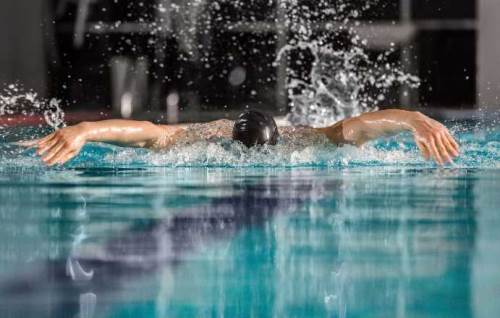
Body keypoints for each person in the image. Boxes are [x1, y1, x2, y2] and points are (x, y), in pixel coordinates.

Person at [23, 109, 460, 166]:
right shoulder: (199, 138)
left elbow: (360, 126)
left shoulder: (302, 140)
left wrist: (414, 119)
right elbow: (148, 134)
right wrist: (85, 129)